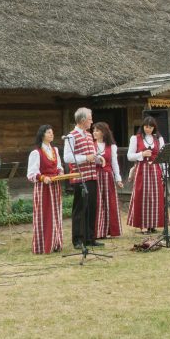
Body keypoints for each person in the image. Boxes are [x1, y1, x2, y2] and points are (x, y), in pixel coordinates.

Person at [63, 107, 102, 250]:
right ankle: (77, 239)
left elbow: (92, 155)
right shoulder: (72, 136)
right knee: (80, 208)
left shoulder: (88, 135)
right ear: (83, 120)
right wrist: (86, 158)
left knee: (91, 207)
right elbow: (67, 157)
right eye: (90, 118)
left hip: (92, 175)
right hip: (80, 177)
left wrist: (98, 159)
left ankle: (89, 237)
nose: (92, 121)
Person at [26, 125, 65, 254]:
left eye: (52, 133)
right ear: (42, 135)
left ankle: (55, 242)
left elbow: (58, 166)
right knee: (44, 214)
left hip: (55, 186)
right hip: (43, 188)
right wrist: (43, 178)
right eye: (49, 133)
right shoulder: (36, 152)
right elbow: (31, 173)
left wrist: (60, 172)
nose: (51, 135)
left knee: (56, 214)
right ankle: (43, 244)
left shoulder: (55, 150)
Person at [127, 115, 166, 234]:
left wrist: (165, 172)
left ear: (154, 128)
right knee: (142, 196)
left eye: (150, 127)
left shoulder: (159, 139)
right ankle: (142, 225)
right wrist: (142, 154)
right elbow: (129, 156)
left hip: (155, 170)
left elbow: (163, 157)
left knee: (155, 198)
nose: (148, 129)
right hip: (142, 169)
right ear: (143, 126)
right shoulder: (135, 138)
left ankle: (153, 224)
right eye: (146, 127)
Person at [92, 122, 123, 238]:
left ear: (103, 132)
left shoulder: (112, 147)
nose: (94, 132)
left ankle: (111, 230)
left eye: (97, 130)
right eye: (93, 130)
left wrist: (118, 178)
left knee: (110, 202)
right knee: (98, 203)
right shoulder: (91, 145)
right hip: (95, 176)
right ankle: (98, 231)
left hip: (108, 177)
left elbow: (115, 163)